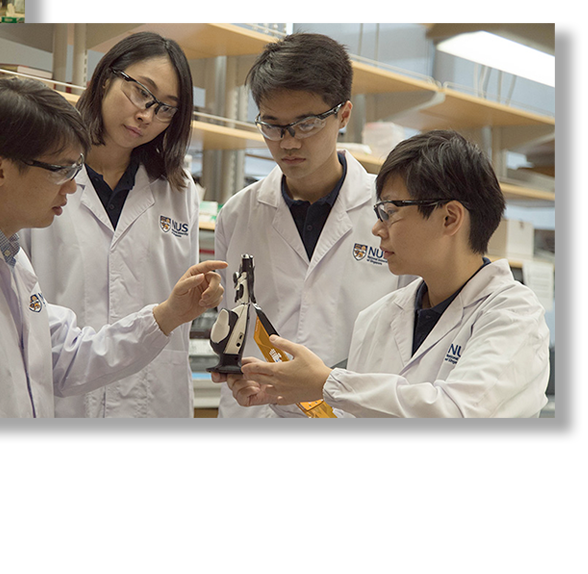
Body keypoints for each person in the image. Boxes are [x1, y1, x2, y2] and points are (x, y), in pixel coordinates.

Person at [0, 76, 225, 418]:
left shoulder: (8, 256)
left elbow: (67, 356)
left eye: (75, 169)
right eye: (60, 170)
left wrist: (168, 315)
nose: (71, 186)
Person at [224, 130, 550, 418]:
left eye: (391, 212)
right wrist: (285, 392)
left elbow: (457, 413)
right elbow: (354, 414)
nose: (377, 228)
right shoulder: (377, 317)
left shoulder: (513, 315)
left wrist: (326, 383)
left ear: (450, 218)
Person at [212, 32, 405, 418]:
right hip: (254, 418)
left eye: (306, 124)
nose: (288, 143)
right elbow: (231, 323)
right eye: (272, 125)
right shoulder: (237, 215)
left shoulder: (390, 213)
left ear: (343, 115)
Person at [21, 32, 200, 418]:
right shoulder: (41, 171)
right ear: (105, 79)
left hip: (152, 402)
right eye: (140, 92)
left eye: (166, 108)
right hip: (63, 398)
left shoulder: (179, 191)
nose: (146, 115)